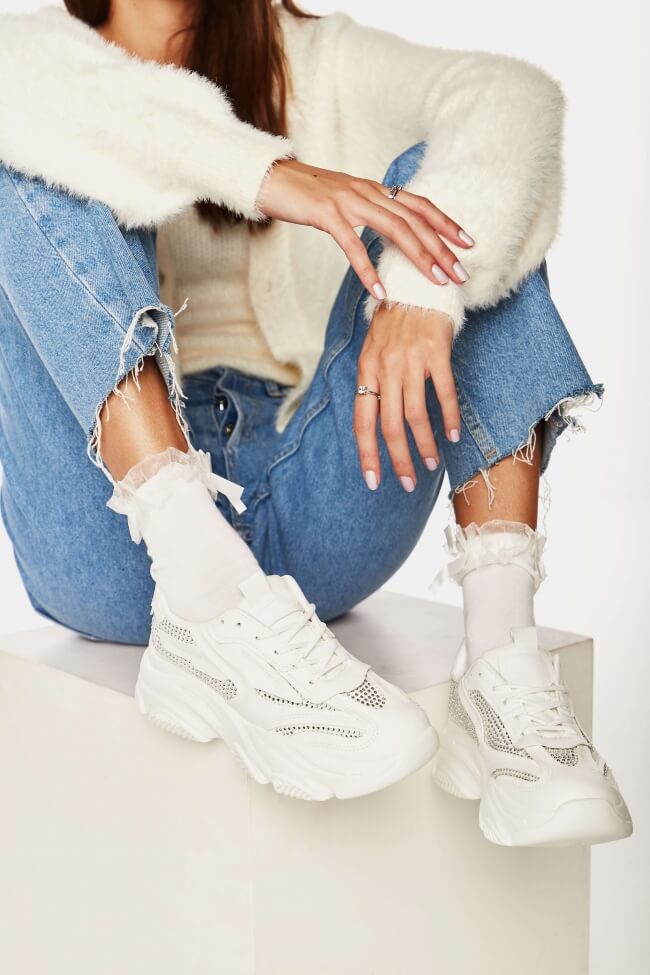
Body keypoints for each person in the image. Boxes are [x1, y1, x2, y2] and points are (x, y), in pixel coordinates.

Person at [0, 0, 632, 844]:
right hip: (111, 540)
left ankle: (501, 667)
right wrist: (265, 173)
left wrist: (421, 296)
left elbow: (511, 98)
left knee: (454, 197)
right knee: (28, 148)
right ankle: (202, 589)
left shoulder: (308, 57)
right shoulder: (39, 50)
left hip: (321, 492)